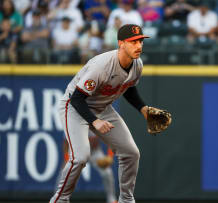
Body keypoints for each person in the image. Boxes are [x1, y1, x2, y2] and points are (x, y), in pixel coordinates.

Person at [49, 24, 151, 203]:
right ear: (121, 43)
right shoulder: (102, 66)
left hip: (102, 107)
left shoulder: (137, 65)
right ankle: (59, 200)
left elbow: (128, 88)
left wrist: (143, 109)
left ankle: (126, 200)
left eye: (141, 41)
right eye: (133, 42)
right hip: (73, 107)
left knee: (131, 153)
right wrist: (94, 121)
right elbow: (77, 99)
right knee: (80, 157)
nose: (139, 46)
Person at [57, 132, 117, 203]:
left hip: (94, 153)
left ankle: (112, 199)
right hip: (77, 153)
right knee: (64, 173)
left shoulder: (95, 122)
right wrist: (67, 159)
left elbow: (110, 138)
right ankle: (58, 199)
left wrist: (110, 156)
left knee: (107, 172)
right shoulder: (72, 122)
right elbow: (66, 143)